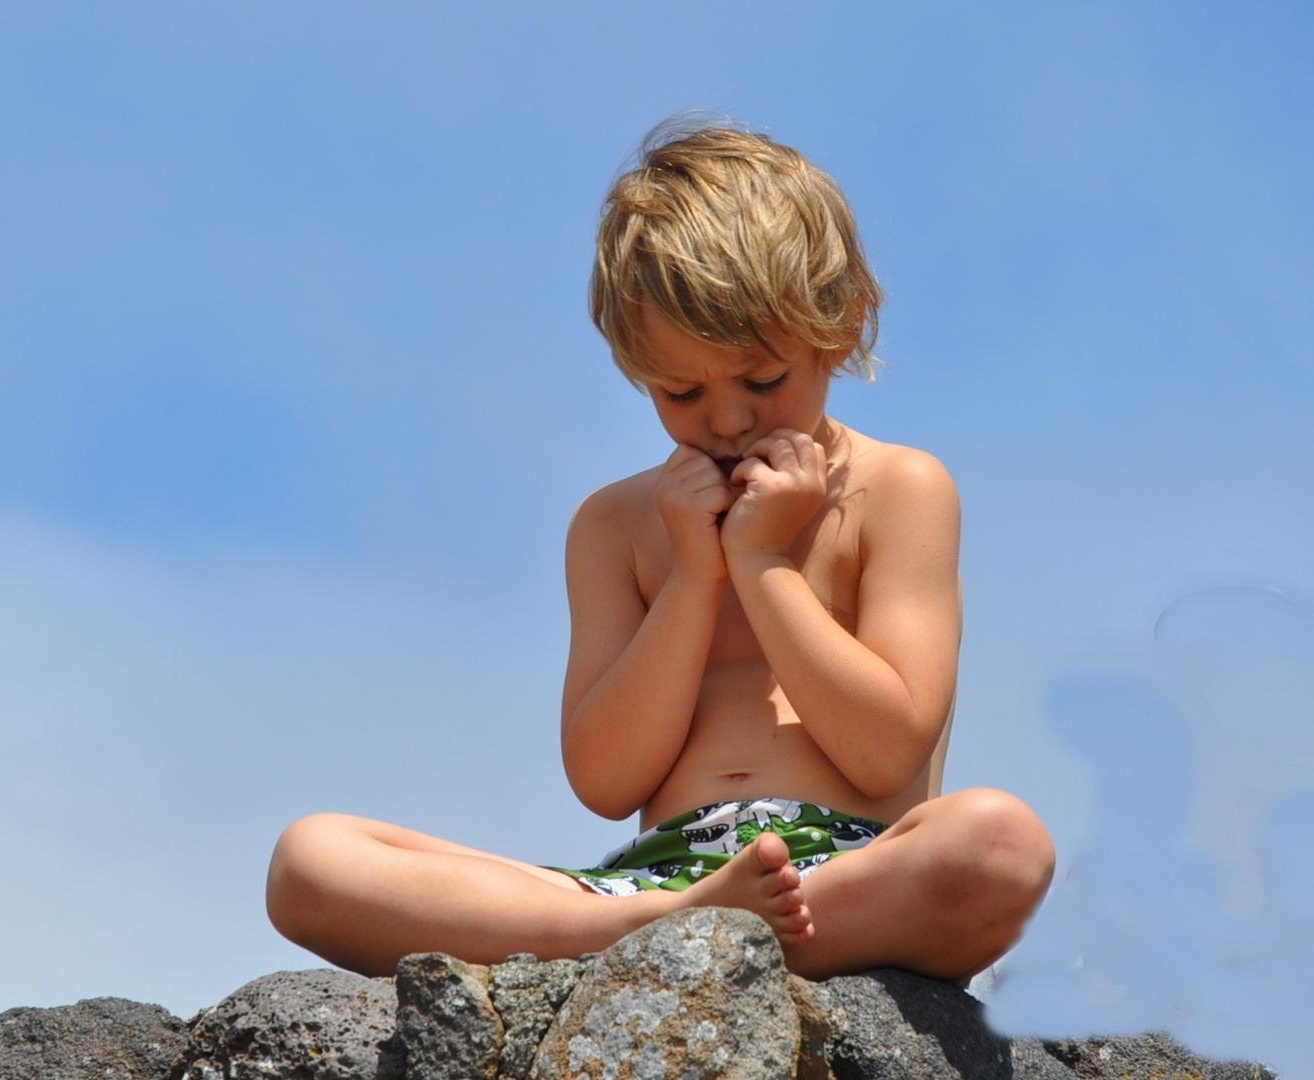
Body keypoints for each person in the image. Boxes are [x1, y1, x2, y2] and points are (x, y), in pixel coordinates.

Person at [266, 120, 1055, 982]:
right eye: (682, 392)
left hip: (841, 871)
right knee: (311, 861)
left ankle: (711, 940)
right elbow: (607, 780)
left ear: (843, 323)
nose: (726, 420)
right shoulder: (617, 525)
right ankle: (668, 932)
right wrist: (693, 574)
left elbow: (887, 751)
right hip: (649, 886)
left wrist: (763, 565)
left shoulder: (899, 489)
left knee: (999, 844)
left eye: (762, 380)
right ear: (639, 371)